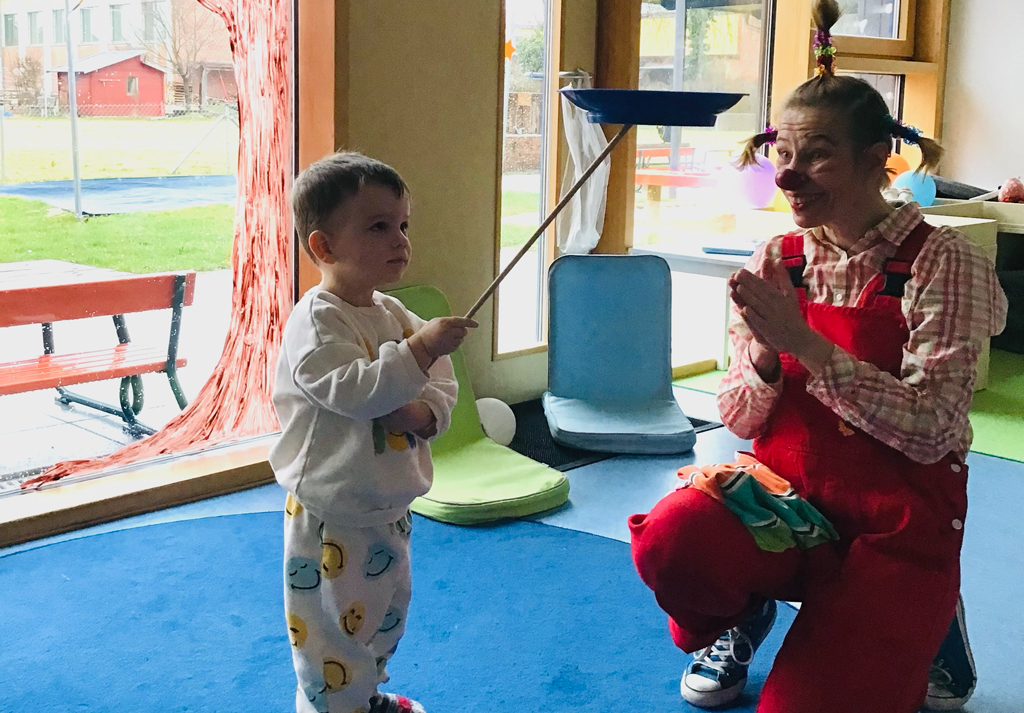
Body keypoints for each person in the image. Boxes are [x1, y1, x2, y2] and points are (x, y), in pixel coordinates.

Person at [628, 1, 1008, 711]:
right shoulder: (777, 258)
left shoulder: (942, 261)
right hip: (788, 505)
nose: (789, 175)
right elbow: (740, 418)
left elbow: (932, 429)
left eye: (818, 154)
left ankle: (929, 613)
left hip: (896, 523)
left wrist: (804, 342)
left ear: (875, 158)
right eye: (783, 153)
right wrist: (767, 360)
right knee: (675, 538)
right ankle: (744, 612)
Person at [270, 152, 476, 713]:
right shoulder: (316, 321)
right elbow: (353, 391)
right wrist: (421, 349)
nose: (400, 240)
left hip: (387, 499)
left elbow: (442, 382)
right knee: (332, 631)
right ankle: (335, 708)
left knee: (384, 615)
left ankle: (365, 698)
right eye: (379, 226)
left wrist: (427, 413)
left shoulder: (392, 312)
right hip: (332, 508)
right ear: (323, 246)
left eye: (403, 224)